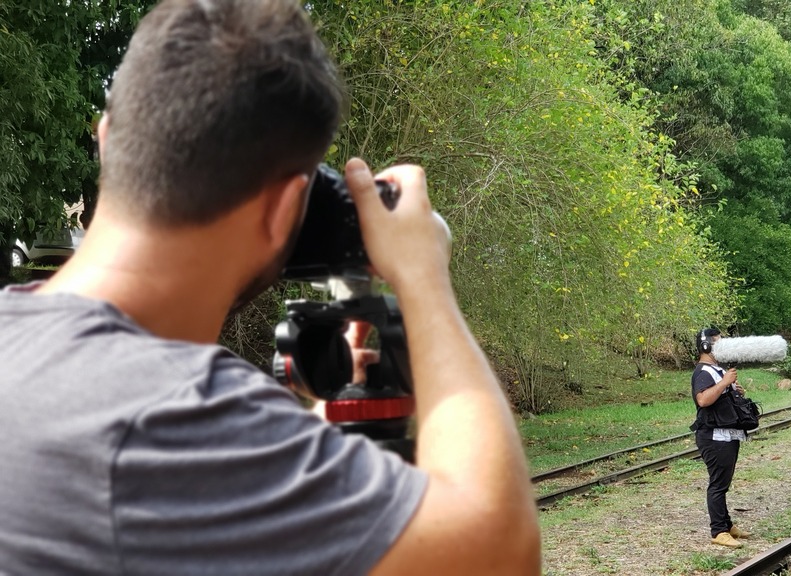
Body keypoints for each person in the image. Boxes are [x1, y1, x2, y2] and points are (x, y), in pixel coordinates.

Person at [0, 1, 540, 574]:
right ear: (284, 212)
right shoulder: (165, 418)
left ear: (107, 140)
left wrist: (329, 424)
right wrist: (422, 274)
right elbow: (498, 548)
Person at [689, 327, 753, 549]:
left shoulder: (716, 370)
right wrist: (725, 383)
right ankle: (718, 530)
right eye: (718, 343)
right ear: (706, 346)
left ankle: (727, 524)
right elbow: (703, 400)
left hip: (726, 435)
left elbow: (718, 397)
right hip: (713, 437)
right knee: (718, 485)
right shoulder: (703, 372)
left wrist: (734, 390)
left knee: (723, 483)